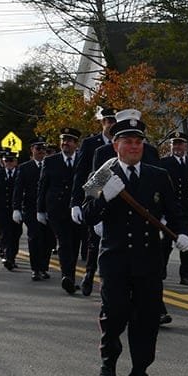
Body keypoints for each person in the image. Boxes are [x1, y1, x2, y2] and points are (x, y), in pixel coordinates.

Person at [81, 114, 188, 376]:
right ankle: (110, 353)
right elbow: (86, 214)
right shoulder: (102, 174)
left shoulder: (158, 175)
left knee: (147, 320)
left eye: (138, 142)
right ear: (116, 144)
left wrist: (182, 233)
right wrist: (104, 195)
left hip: (148, 259)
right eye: (127, 141)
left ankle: (140, 373)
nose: (134, 146)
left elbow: (174, 210)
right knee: (115, 313)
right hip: (115, 258)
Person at [71, 107, 118, 296]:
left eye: (114, 121)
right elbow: (82, 174)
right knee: (94, 240)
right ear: (102, 123)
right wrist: (76, 202)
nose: (111, 124)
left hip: (121, 197)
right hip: (98, 196)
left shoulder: (127, 144)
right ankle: (89, 274)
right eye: (108, 121)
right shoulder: (93, 145)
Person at [38, 127, 82, 293]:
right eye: (63, 140)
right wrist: (40, 209)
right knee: (64, 243)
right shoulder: (50, 161)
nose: (65, 143)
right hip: (56, 208)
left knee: (75, 243)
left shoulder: (82, 160)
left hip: (77, 209)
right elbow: (43, 186)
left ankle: (70, 275)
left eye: (69, 140)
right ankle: (67, 277)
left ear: (75, 144)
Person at [158, 131, 188, 286]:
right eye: (174, 143)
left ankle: (186, 275)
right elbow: (160, 190)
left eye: (180, 143)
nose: (177, 146)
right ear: (170, 146)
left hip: (187, 211)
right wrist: (160, 214)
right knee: (165, 245)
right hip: (169, 211)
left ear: (186, 145)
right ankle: (160, 272)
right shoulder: (163, 163)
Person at [14, 138, 52, 281]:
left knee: (48, 239)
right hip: (30, 209)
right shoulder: (25, 167)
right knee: (35, 238)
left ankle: (44, 267)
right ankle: (35, 269)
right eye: (38, 148)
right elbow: (18, 189)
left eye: (44, 149)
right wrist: (16, 208)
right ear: (32, 150)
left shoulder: (51, 165)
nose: (41, 151)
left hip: (48, 208)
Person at [0, 150, 21, 271]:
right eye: (7, 161)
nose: (9, 163)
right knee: (5, 234)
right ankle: (8, 257)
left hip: (16, 210)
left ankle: (12, 255)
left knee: (16, 234)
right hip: (2, 210)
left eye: (11, 161)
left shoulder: (20, 173)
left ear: (16, 162)